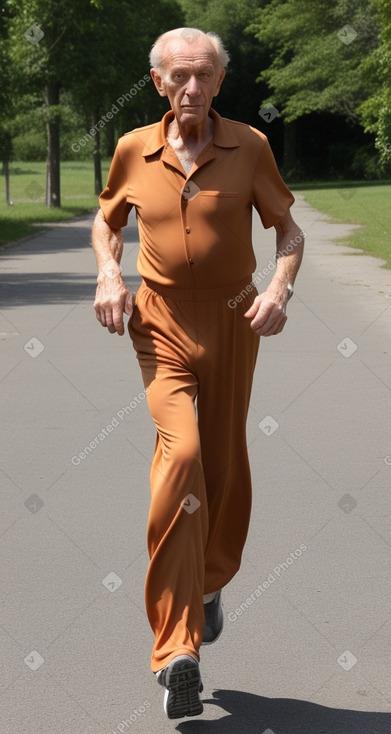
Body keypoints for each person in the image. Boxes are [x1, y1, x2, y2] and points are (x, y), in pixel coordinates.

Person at [91, 26, 304, 720]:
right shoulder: (133, 149)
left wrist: (278, 289)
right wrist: (106, 274)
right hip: (159, 321)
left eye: (204, 75)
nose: (192, 88)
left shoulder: (250, 145)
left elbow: (288, 231)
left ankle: (208, 582)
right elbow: (107, 221)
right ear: (157, 81)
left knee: (220, 467)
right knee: (179, 455)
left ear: (218, 81)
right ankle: (176, 649)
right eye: (179, 76)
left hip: (237, 313)